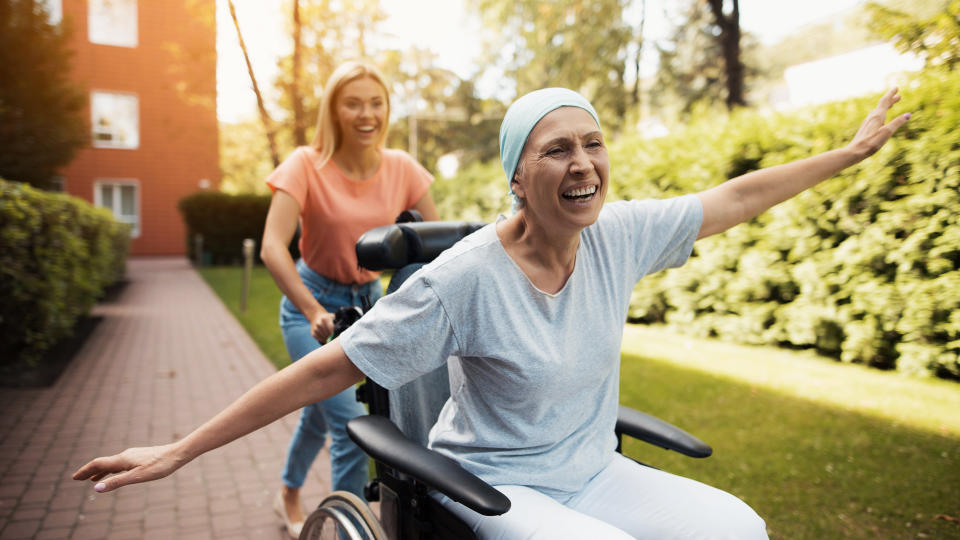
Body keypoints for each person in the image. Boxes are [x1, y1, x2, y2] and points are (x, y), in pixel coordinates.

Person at [74, 86, 909, 539]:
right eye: (556, 149)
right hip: (496, 486)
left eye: (593, 144)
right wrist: (180, 451)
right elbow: (326, 368)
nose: (583, 164)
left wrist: (849, 153)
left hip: (594, 471)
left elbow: (734, 197)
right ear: (517, 176)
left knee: (739, 527)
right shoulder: (465, 277)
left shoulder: (617, 233)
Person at [258, 60, 438, 537]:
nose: (367, 114)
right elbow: (272, 247)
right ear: (334, 111)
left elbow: (436, 247)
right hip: (311, 307)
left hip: (370, 308)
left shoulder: (401, 168)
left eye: (376, 103)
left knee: (320, 414)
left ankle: (288, 494)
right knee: (353, 428)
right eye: (353, 103)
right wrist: (312, 310)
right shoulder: (305, 164)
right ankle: (348, 532)